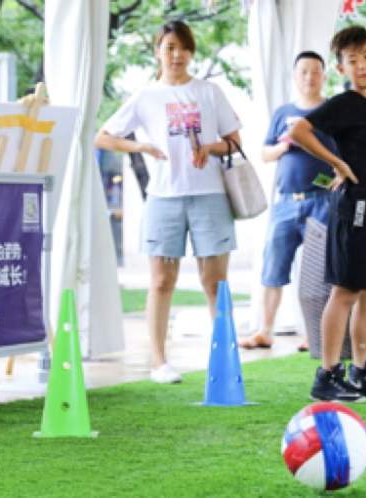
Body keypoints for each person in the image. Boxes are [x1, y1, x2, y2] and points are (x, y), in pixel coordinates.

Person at [95, 21, 241, 384]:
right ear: (158, 51)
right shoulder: (146, 97)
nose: (176, 55)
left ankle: (223, 359)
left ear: (191, 52)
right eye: (169, 47)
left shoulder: (209, 91)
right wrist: (140, 146)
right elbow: (104, 137)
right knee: (161, 281)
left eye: (183, 48)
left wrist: (210, 147)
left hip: (210, 195)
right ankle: (159, 362)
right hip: (163, 198)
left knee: (215, 281)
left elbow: (235, 142)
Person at [289, 25, 366, 402]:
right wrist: (337, 162)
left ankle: (363, 370)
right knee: (346, 291)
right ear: (342, 69)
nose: (362, 65)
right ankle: (328, 374)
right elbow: (299, 130)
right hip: (355, 207)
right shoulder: (342, 104)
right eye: (352, 60)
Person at [239, 51, 337, 352]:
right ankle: (265, 330)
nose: (310, 77)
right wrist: (287, 141)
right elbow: (265, 153)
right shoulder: (283, 113)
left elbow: (342, 154)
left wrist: (311, 137)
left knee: (318, 272)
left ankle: (315, 334)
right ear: (296, 76)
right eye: (304, 71)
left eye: (315, 71)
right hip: (285, 201)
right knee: (273, 267)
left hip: (322, 200)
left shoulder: (333, 111)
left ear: (324, 75)